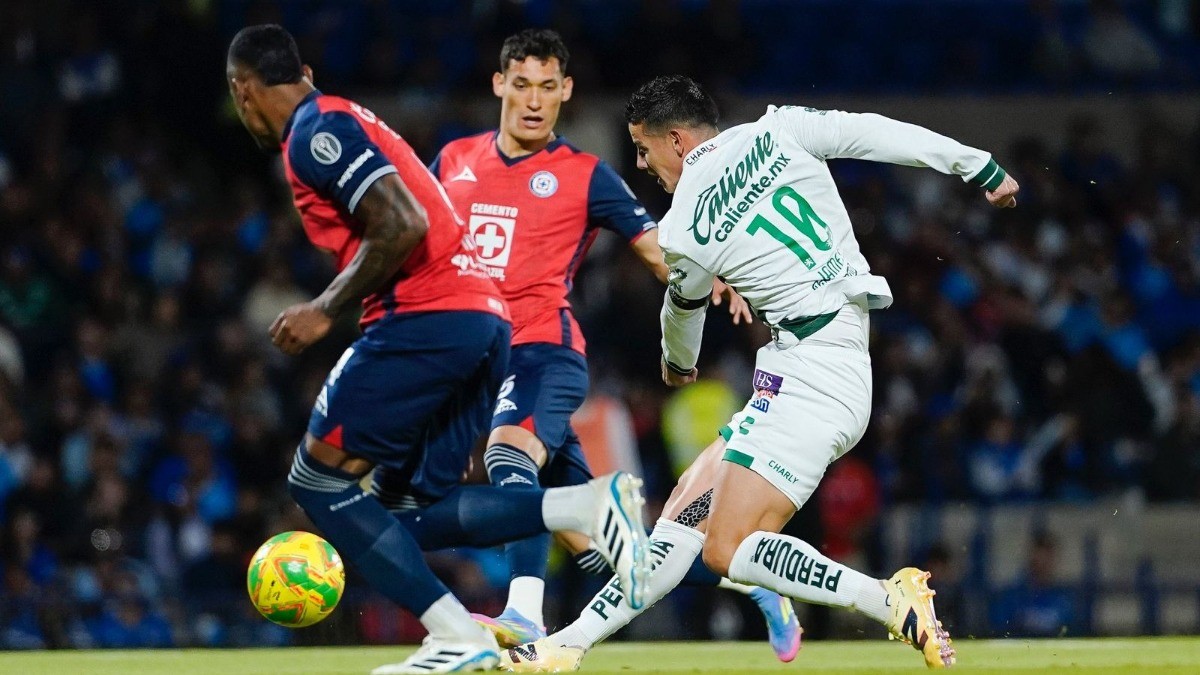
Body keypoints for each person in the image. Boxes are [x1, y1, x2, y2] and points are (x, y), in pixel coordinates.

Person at [501, 75, 1020, 671]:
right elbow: (877, 133)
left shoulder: (685, 225)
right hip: (810, 363)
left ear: (675, 139)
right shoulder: (782, 128)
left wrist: (678, 363)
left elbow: (682, 307)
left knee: (727, 548)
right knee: (677, 526)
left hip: (815, 377)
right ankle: (566, 646)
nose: (642, 163)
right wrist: (975, 164)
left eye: (643, 149)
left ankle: (884, 598)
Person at [225, 25, 651, 675]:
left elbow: (403, 220)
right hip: (483, 320)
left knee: (316, 479)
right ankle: (533, 558)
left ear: (243, 91)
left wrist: (323, 309)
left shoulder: (317, 133)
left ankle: (483, 609)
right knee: (403, 510)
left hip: (427, 318)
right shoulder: (396, 134)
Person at [430, 29, 798, 661]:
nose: (534, 100)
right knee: (610, 547)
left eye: (549, 87)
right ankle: (748, 573)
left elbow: (660, 253)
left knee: (509, 461)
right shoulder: (453, 161)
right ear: (499, 85)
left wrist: (728, 278)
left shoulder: (583, 174)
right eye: (522, 85)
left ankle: (523, 613)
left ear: (566, 91)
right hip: (482, 364)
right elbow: (433, 264)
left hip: (544, 352)